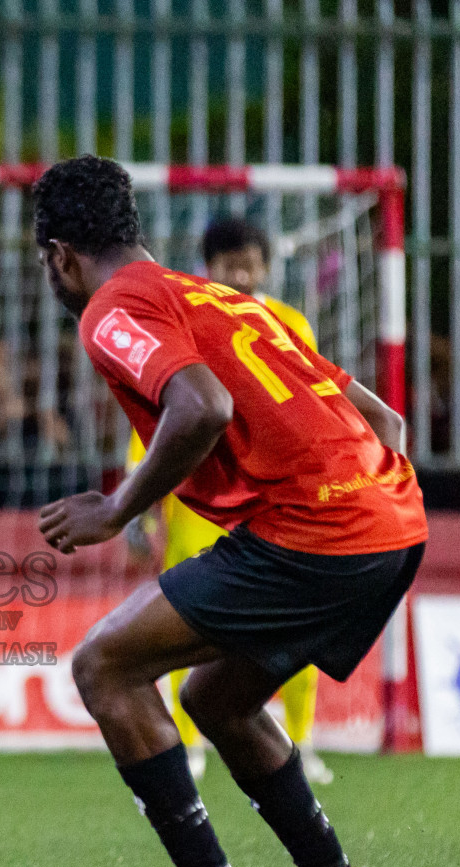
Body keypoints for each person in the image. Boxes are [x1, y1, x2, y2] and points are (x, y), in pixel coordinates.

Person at [31, 156, 426, 867]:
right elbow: (386, 423)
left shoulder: (112, 307)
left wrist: (116, 507)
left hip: (318, 527)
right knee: (217, 699)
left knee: (104, 666)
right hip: (394, 521)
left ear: (60, 255)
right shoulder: (228, 300)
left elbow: (201, 405)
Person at [124, 218, 334, 784]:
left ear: (266, 265)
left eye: (250, 262)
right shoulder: (186, 319)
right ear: (209, 266)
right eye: (228, 263)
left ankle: (300, 739)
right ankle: (187, 743)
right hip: (201, 490)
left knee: (294, 624)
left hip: (273, 494)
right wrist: (137, 495)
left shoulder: (292, 324)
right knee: (181, 617)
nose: (240, 273)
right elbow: (158, 406)